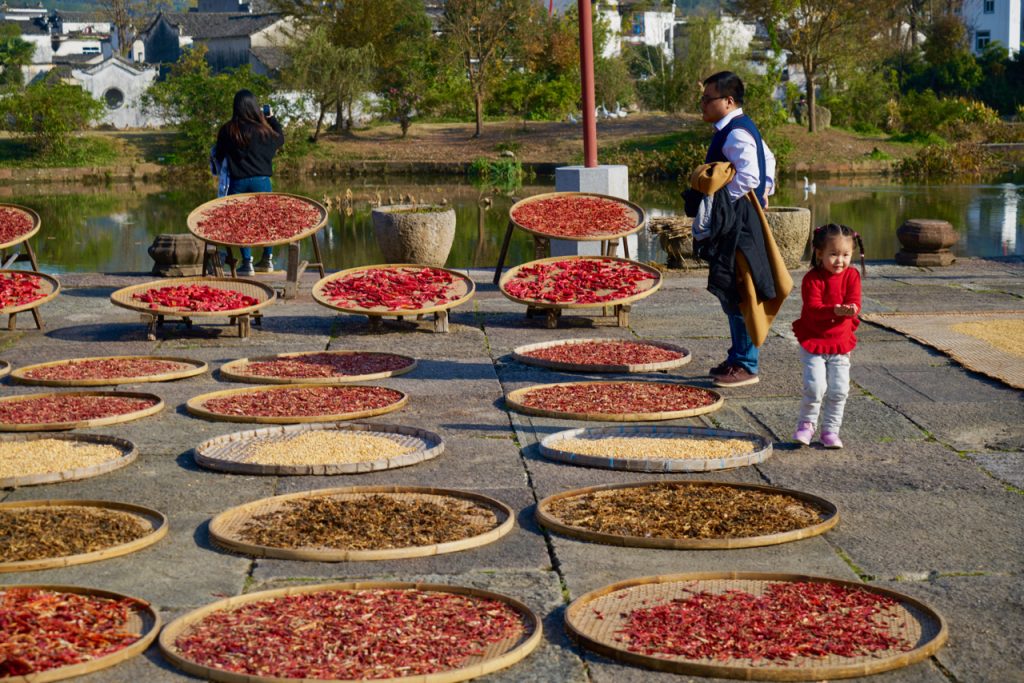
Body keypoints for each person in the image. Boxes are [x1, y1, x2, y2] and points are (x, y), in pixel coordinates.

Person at [699, 70, 777, 387]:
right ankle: (738, 356)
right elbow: (768, 158)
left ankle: (746, 363)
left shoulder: (736, 132)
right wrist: (765, 192)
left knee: (742, 291)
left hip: (738, 226)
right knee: (733, 289)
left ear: (728, 101)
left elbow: (750, 177)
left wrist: (727, 206)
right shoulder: (737, 128)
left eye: (708, 99)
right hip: (740, 221)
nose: (702, 104)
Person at [792, 224, 866, 449]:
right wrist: (835, 309)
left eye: (845, 255)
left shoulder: (852, 275)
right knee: (815, 387)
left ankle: (831, 431)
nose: (840, 261)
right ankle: (806, 425)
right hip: (814, 340)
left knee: (839, 389)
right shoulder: (812, 279)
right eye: (833, 254)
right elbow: (813, 308)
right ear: (819, 253)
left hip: (840, 343)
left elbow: (856, 301)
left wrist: (852, 309)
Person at [213, 89, 284, 275]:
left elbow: (218, 154)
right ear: (255, 107)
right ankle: (267, 260)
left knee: (240, 222)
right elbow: (280, 139)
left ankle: (247, 263)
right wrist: (271, 119)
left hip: (238, 183)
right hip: (262, 182)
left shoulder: (228, 130)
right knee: (266, 221)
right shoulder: (264, 131)